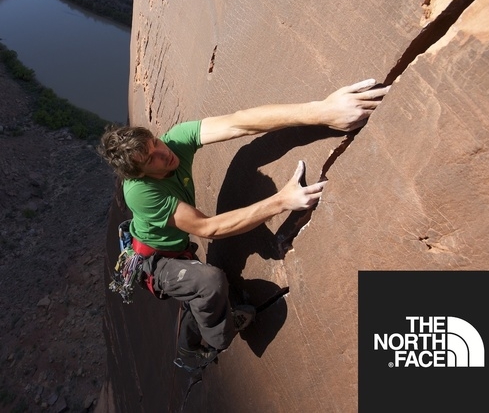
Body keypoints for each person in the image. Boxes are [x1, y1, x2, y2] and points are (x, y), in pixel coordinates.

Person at [99, 78, 389, 362]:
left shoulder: (174, 141)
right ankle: (218, 340)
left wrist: (323, 111)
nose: (165, 153)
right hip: (155, 262)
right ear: (140, 174)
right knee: (209, 281)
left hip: (174, 249)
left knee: (196, 292)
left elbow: (240, 122)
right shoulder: (140, 192)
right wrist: (281, 201)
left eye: (155, 142)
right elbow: (207, 227)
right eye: (152, 159)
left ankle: (186, 344)